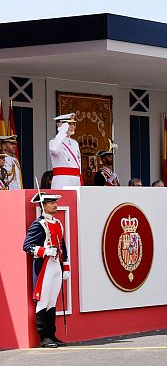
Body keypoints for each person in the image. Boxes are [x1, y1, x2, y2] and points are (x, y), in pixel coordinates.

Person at [22, 191, 70, 347]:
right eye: (51, 203)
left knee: (52, 302)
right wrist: (45, 251)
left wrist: (66, 266)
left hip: (56, 265)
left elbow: (63, 246)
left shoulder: (58, 223)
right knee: (43, 301)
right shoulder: (38, 224)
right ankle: (44, 337)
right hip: (44, 266)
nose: (55, 205)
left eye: (55, 202)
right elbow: (27, 246)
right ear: (44, 206)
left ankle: (52, 335)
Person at [48, 114, 81, 189]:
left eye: (74, 124)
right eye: (69, 124)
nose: (73, 126)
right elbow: (53, 149)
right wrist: (62, 132)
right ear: (62, 126)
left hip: (75, 180)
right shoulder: (54, 142)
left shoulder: (75, 143)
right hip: (62, 180)